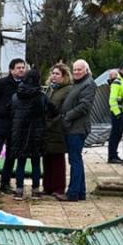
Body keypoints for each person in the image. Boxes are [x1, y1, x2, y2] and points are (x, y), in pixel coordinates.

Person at [1, 73, 47, 198]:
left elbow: (10, 112)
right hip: (36, 134)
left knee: (20, 163)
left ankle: (19, 189)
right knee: (36, 163)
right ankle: (36, 189)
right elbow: (49, 111)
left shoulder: (16, 96)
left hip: (19, 133)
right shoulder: (41, 97)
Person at [0, 59, 28, 173]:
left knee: (11, 155)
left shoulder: (26, 85)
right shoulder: (1, 83)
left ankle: (5, 182)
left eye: (23, 68)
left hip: (16, 125)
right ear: (11, 70)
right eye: (18, 68)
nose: (21, 70)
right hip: (1, 123)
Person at [60, 59, 96, 202]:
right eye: (74, 69)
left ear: (86, 70)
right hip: (73, 127)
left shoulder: (88, 84)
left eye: (79, 70)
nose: (76, 72)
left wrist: (67, 116)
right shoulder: (78, 83)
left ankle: (73, 193)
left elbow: (84, 106)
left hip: (77, 127)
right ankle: (80, 192)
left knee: (75, 160)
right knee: (76, 159)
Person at [42, 63, 72, 197]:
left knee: (58, 160)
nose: (54, 76)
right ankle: (47, 187)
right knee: (47, 159)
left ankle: (58, 188)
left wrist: (53, 122)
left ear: (64, 76)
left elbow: (63, 110)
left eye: (57, 74)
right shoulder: (50, 89)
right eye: (53, 73)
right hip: (47, 129)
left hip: (58, 128)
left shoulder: (67, 90)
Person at [106, 62, 123, 164]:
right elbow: (112, 100)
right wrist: (117, 114)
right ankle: (112, 156)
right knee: (115, 135)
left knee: (119, 135)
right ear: (120, 70)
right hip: (118, 113)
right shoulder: (117, 82)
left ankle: (114, 154)